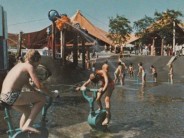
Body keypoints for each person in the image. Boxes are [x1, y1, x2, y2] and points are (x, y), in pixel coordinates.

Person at [0, 50, 56, 134]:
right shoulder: (29, 66)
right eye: (38, 62)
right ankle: (27, 125)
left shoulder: (19, 65)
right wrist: (51, 94)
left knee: (27, 111)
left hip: (4, 97)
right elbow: (39, 85)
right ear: (36, 60)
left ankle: (22, 131)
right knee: (42, 99)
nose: (38, 65)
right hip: (12, 96)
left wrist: (35, 91)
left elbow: (26, 83)